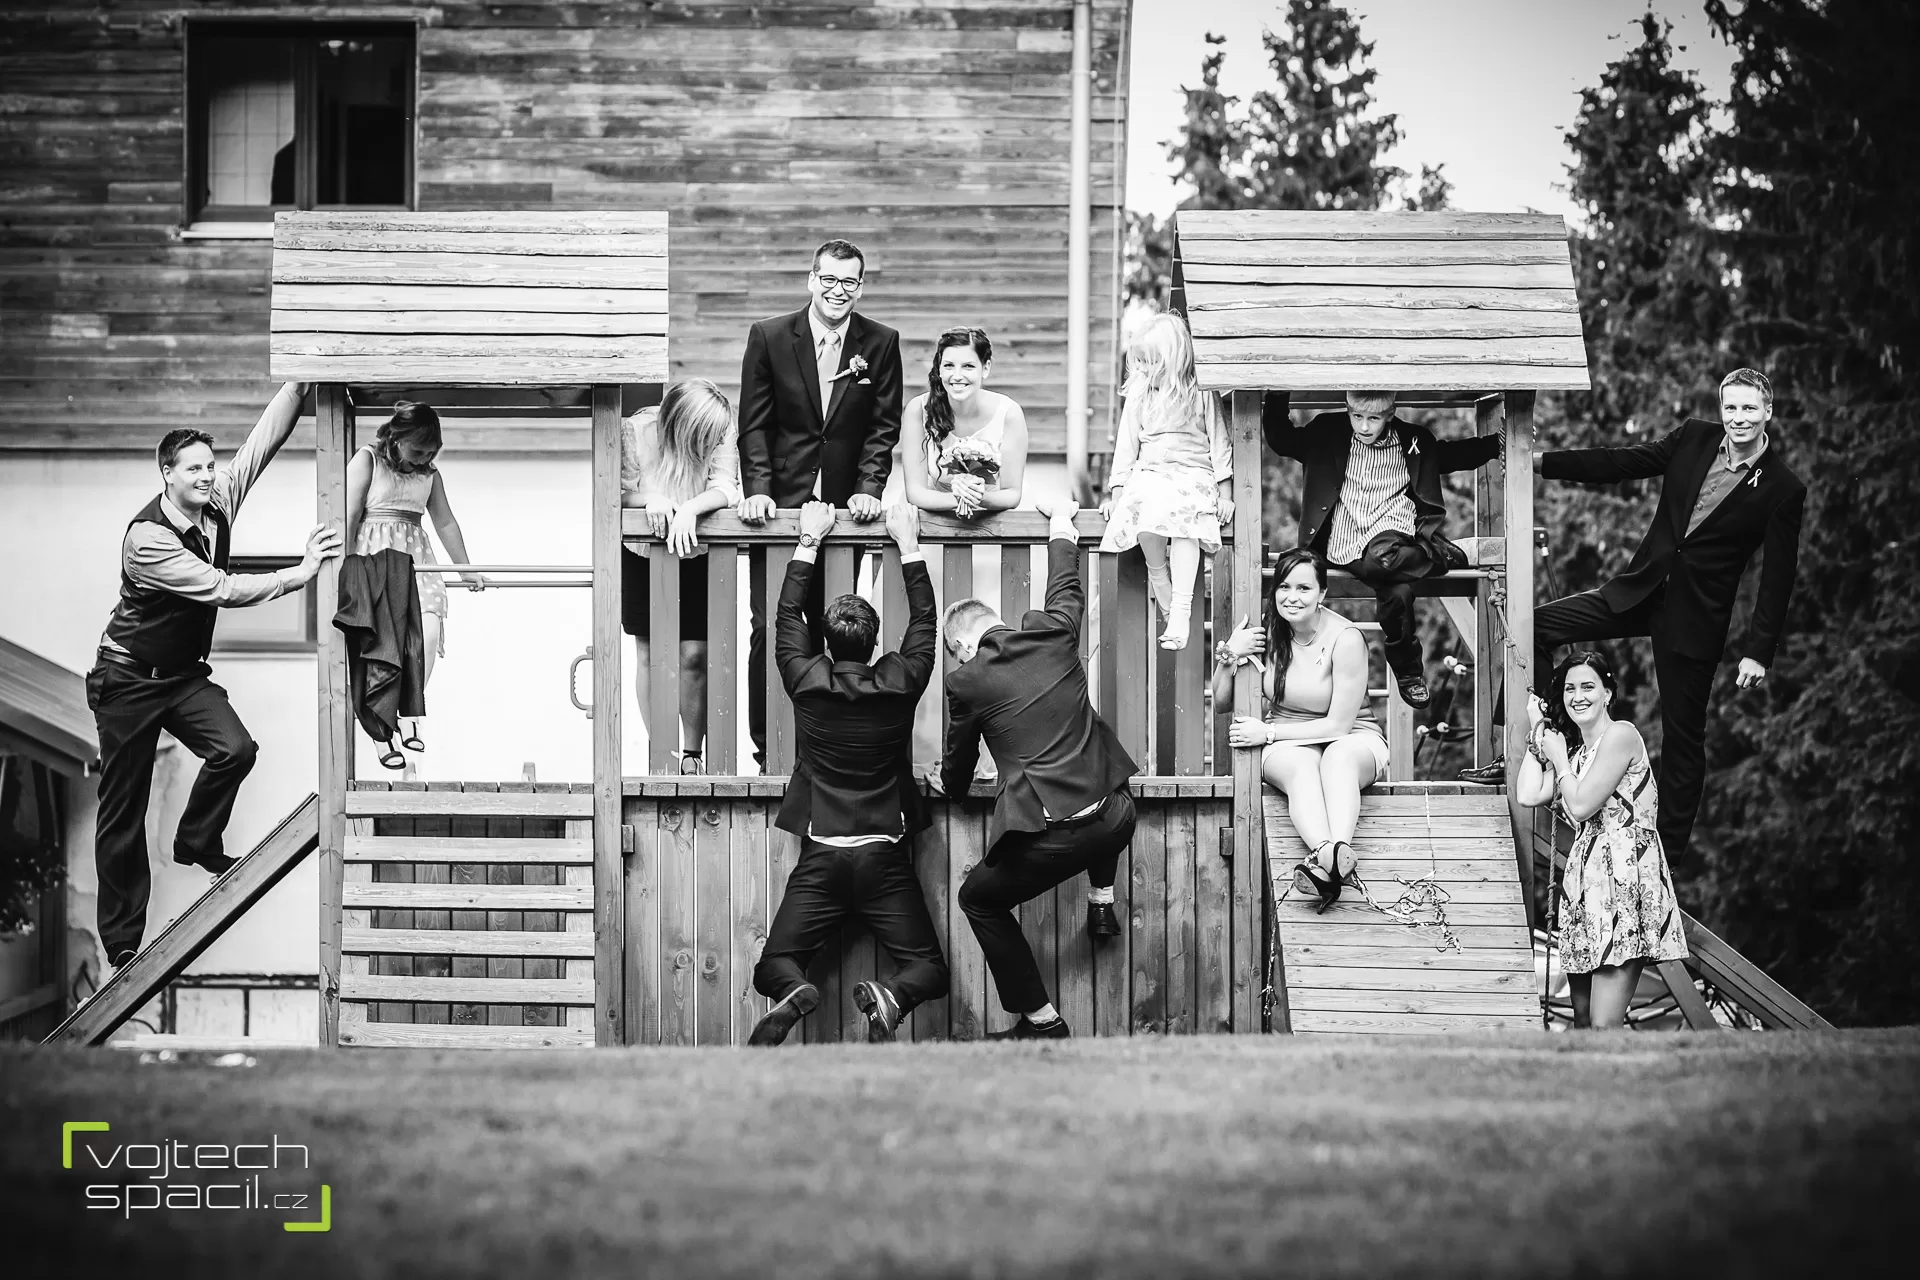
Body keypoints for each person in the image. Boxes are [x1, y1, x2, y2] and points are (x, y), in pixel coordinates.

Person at [87, 384, 341, 970]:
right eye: (193, 468)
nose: (207, 476)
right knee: (123, 810)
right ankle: (122, 940)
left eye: (209, 465)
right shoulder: (147, 539)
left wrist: (299, 382)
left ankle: (197, 841)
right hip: (127, 680)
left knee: (235, 749)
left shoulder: (217, 500)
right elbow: (219, 588)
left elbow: (260, 445)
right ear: (167, 474)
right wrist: (298, 574)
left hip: (179, 677)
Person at [1532, 368, 1805, 866]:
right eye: (1731, 407)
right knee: (1537, 626)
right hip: (1641, 588)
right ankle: (1553, 746)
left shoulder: (1783, 488)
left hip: (1695, 616)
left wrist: (1758, 651)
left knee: (1683, 739)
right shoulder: (1695, 438)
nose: (1738, 418)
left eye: (1749, 408)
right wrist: (1542, 462)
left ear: (1768, 411)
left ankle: (1665, 860)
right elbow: (1624, 461)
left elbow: (1778, 577)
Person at [936, 497, 1137, 1040]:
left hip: (1061, 837)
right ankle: (1102, 896)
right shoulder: (1053, 633)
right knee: (1093, 755)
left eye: (956, 654)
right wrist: (1062, 525)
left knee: (978, 899)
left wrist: (950, 786)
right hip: (1118, 817)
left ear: (962, 644)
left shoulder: (966, 680)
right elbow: (1066, 587)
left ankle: (1041, 1020)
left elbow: (958, 766)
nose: (960, 662)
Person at [748, 501, 948, 1046]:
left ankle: (795, 990)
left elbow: (785, 617)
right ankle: (891, 996)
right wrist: (909, 544)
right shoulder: (901, 682)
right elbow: (925, 623)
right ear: (876, 642)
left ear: (826, 642)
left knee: (773, 967)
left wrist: (808, 541)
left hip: (823, 854)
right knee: (929, 970)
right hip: (884, 856)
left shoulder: (805, 679)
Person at [737, 238, 904, 768]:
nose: (837, 290)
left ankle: (822, 749)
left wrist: (869, 489)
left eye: (848, 281)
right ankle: (767, 749)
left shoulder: (881, 343)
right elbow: (754, 424)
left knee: (836, 628)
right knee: (770, 627)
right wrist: (758, 489)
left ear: (861, 287)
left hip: (843, 514)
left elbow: (883, 427)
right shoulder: (768, 336)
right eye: (828, 279)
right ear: (811, 279)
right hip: (780, 511)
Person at [1260, 389, 1502, 707]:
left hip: (1392, 531)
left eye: (1373, 418)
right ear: (1347, 410)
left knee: (1382, 557)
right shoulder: (1326, 432)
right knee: (1398, 592)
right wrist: (1277, 391)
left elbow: (1454, 455)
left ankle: (1433, 558)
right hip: (1344, 539)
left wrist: (1497, 443)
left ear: (1390, 414)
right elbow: (1281, 439)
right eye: (1357, 416)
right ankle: (1409, 667)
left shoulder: (1413, 440)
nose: (1364, 426)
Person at [1515, 650, 1688, 1030]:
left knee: (1602, 1024)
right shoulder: (1578, 756)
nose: (1578, 696)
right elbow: (1527, 793)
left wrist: (1559, 759)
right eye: (1570, 688)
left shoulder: (1621, 735)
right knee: (1582, 1021)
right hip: (1585, 884)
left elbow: (1580, 805)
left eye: (1588, 687)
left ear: (1608, 693)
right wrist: (1538, 732)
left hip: (1624, 880)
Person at [1215, 547, 1388, 912]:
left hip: (1352, 735)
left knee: (1338, 758)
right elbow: (1221, 702)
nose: (1292, 597)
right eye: (1284, 586)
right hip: (1289, 739)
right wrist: (1230, 653)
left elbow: (1338, 726)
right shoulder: (1266, 632)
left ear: (1322, 593)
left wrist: (1268, 734)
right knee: (1300, 766)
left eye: (1304, 588)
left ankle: (1328, 863)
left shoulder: (1346, 638)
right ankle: (1333, 857)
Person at [345, 400, 485, 771]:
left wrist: (465, 569)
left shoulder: (430, 475)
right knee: (381, 649)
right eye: (418, 450)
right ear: (396, 438)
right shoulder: (368, 461)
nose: (424, 459)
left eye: (431, 452)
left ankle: (410, 707)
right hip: (375, 559)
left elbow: (445, 522)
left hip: (415, 559)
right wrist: (344, 569)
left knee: (429, 631)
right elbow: (348, 514)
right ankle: (382, 729)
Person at [619, 379, 743, 775]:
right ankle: (662, 753)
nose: (710, 442)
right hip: (641, 552)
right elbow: (619, 492)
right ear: (679, 424)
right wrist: (651, 500)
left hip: (695, 549)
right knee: (648, 652)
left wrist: (691, 508)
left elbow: (727, 487)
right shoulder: (635, 431)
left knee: (694, 654)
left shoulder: (721, 425)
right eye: (702, 435)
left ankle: (691, 756)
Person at [1099, 313, 1232, 651]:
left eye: (1151, 362)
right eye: (1140, 362)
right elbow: (1127, 446)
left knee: (1185, 525)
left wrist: (1226, 493)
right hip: (1151, 472)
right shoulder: (1140, 393)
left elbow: (1219, 443)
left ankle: (1181, 609)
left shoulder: (1201, 392)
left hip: (1192, 473)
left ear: (1174, 358)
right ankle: (1161, 581)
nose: (1143, 370)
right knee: (1143, 511)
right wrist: (1117, 492)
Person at [900, 326, 1028, 518]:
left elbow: (1012, 493)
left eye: (968, 366)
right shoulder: (918, 410)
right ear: (939, 368)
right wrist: (960, 498)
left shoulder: (1009, 414)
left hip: (988, 516)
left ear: (985, 368)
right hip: (933, 514)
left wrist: (980, 497)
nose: (957, 376)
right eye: (949, 366)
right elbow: (915, 492)